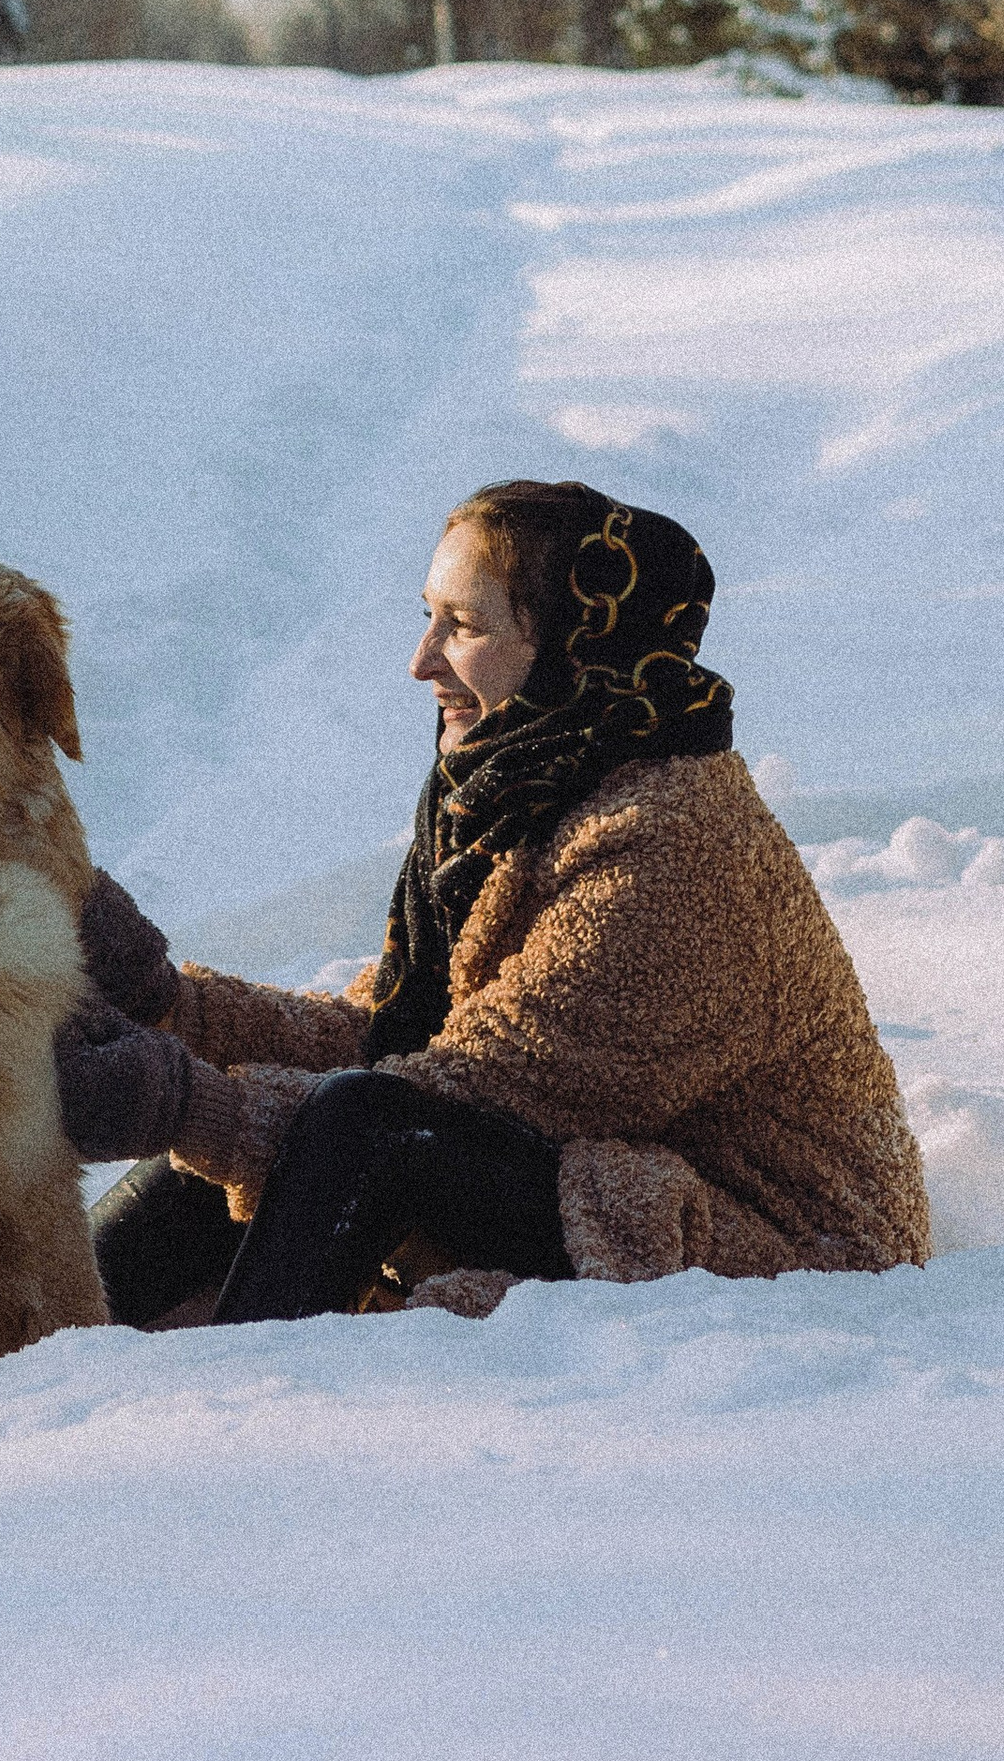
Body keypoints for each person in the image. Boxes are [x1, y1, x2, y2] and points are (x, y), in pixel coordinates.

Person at [58, 479, 931, 1328]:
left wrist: (180, 1104)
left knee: (356, 1130)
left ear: (574, 644)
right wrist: (160, 1000)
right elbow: (388, 1037)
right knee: (247, 1153)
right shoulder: (529, 797)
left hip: (781, 1254)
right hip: (603, 1180)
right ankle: (22, 1365)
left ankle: (225, 1415)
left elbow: (465, 1096)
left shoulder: (677, 847)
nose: (421, 660)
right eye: (427, 615)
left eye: (463, 625)